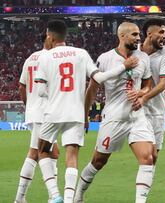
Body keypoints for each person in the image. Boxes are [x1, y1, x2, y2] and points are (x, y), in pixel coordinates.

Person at [35, 20, 134, 203]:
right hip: (76, 113)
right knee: (72, 156)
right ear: (66, 36)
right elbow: (100, 77)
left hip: (53, 112)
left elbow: (40, 91)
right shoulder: (81, 54)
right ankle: (69, 198)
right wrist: (124, 67)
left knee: (42, 150)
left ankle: (55, 194)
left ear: (49, 36)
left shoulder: (45, 57)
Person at [74, 22, 155, 203]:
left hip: (136, 116)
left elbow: (148, 85)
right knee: (99, 161)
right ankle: (78, 195)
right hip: (114, 117)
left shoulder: (143, 57)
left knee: (147, 158)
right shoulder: (106, 58)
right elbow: (92, 89)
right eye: (134, 35)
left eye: (139, 35)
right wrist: (85, 115)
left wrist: (141, 93)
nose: (138, 38)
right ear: (122, 36)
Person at [15, 33, 60, 203]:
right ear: (48, 39)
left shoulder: (30, 58)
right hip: (45, 113)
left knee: (42, 152)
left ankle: (22, 198)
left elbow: (21, 85)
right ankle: (50, 197)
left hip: (35, 111)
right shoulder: (51, 59)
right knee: (43, 153)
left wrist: (29, 105)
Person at [135, 19, 165, 171]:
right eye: (161, 32)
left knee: (153, 157)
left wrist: (144, 98)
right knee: (146, 156)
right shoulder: (134, 51)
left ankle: (143, 191)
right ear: (149, 34)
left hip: (156, 111)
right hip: (136, 111)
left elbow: (163, 84)